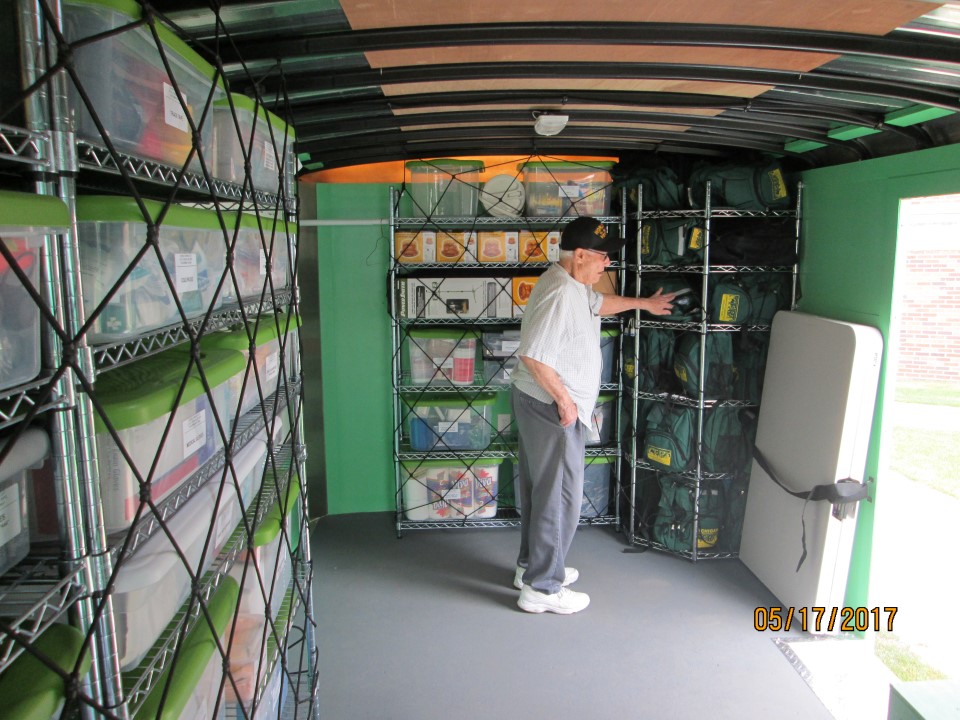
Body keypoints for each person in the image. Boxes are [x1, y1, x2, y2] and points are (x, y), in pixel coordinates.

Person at [510, 216, 676, 614]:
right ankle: (543, 588)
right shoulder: (559, 293)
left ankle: (531, 568)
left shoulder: (571, 284)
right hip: (551, 409)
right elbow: (533, 356)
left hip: (538, 403)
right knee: (560, 497)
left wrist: (644, 304)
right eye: (603, 256)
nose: (607, 264)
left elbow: (598, 304)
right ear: (580, 254)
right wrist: (566, 403)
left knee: (542, 491)